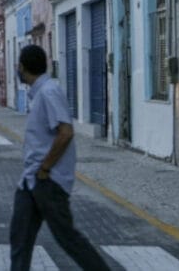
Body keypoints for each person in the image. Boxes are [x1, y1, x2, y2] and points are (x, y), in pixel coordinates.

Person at [10, 45, 110, 271]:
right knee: (20, 240)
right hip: (30, 181)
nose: (18, 69)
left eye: (18, 65)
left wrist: (45, 168)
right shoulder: (40, 92)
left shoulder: (48, 92)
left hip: (48, 181)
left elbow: (65, 132)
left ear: (23, 67)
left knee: (68, 238)